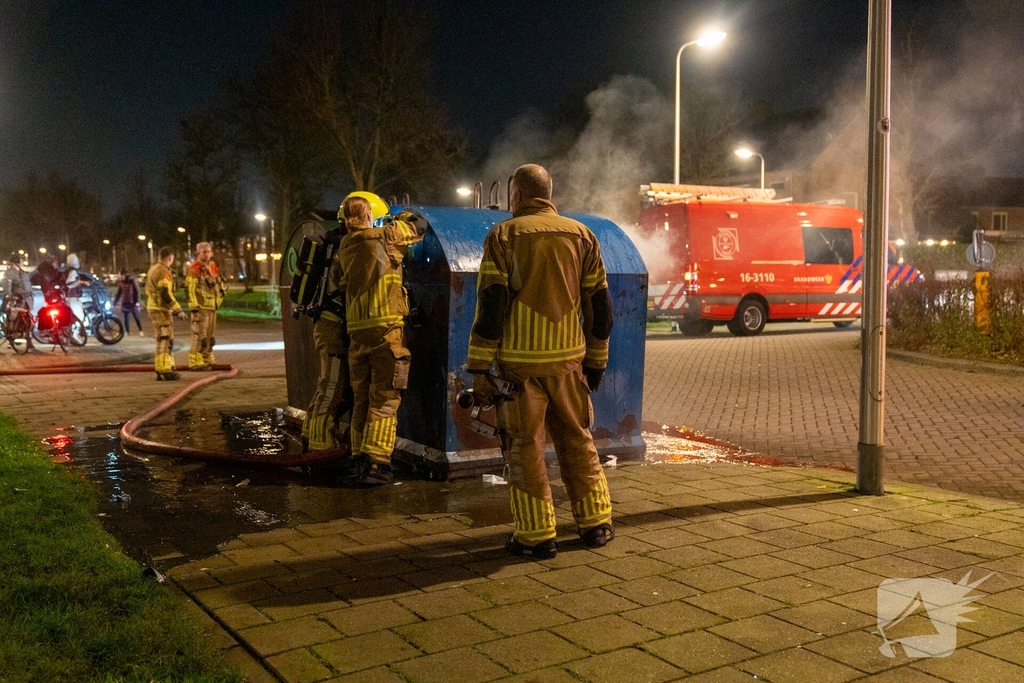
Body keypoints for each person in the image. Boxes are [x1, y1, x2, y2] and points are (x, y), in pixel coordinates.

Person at [466, 163, 615, 560]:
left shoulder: (503, 236)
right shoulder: (582, 235)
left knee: (525, 449)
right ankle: (596, 525)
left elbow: (491, 307)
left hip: (519, 370)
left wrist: (478, 367)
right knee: (578, 440)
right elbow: (600, 307)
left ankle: (536, 537)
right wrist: (596, 361)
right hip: (569, 365)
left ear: (516, 195)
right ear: (548, 194)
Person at [336, 192, 427, 485]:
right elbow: (420, 225)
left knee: (362, 397)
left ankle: (359, 458)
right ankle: (377, 464)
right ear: (368, 216)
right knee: (385, 397)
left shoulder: (345, 246)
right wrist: (398, 217)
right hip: (385, 330)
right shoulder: (386, 235)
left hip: (357, 333)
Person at [301, 221, 352, 452]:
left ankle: (309, 432)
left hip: (328, 325)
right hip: (333, 328)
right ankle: (321, 444)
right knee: (332, 386)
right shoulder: (345, 248)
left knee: (327, 385)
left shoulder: (333, 244)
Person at [145, 247, 187, 381]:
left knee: (163, 339)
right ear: (170, 258)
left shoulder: (154, 269)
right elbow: (164, 292)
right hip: (160, 310)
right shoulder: (163, 271)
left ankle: (165, 367)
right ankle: (164, 370)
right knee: (165, 339)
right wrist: (177, 309)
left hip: (156, 308)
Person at [185, 241, 225, 370]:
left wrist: (219, 299)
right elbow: (190, 289)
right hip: (201, 307)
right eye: (204, 252)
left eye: (208, 252)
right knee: (199, 335)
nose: (207, 254)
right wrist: (194, 307)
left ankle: (207, 358)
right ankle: (195, 361)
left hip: (212, 307)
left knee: (209, 336)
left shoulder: (212, 267)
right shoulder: (194, 269)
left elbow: (218, 285)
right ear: (198, 253)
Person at [112, 268, 143, 335]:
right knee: (126, 317)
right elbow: (118, 294)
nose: (118, 276)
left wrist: (137, 302)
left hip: (132, 302)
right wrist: (114, 303)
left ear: (123, 275)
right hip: (125, 302)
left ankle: (141, 330)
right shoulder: (121, 283)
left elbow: (137, 291)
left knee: (136, 317)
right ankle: (127, 331)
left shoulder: (132, 281)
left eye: (119, 275)